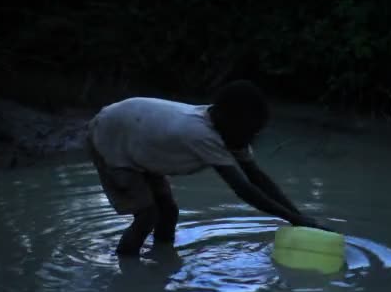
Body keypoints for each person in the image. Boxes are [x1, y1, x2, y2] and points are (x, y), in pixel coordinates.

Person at [86, 80, 333, 256]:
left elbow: (258, 177)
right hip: (112, 139)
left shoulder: (231, 133)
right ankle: (127, 270)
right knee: (147, 215)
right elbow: (243, 189)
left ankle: (160, 259)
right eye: (250, 132)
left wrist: (299, 216)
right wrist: (294, 219)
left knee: (168, 211)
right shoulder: (201, 134)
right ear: (229, 121)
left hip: (140, 142)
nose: (252, 140)